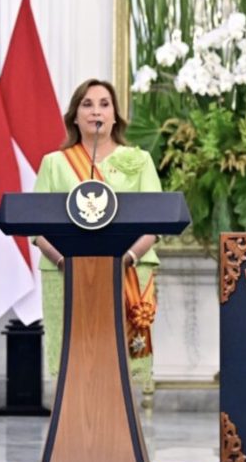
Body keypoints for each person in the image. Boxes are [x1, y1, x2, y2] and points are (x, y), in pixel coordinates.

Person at [32, 79, 161, 392]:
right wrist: (63, 261)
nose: (96, 111)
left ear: (115, 115)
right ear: (75, 116)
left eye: (104, 104)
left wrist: (128, 259)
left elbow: (155, 221)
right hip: (66, 273)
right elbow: (35, 227)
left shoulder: (139, 160)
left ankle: (119, 432)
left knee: (116, 367)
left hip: (127, 272)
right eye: (87, 104)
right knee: (75, 364)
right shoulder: (54, 163)